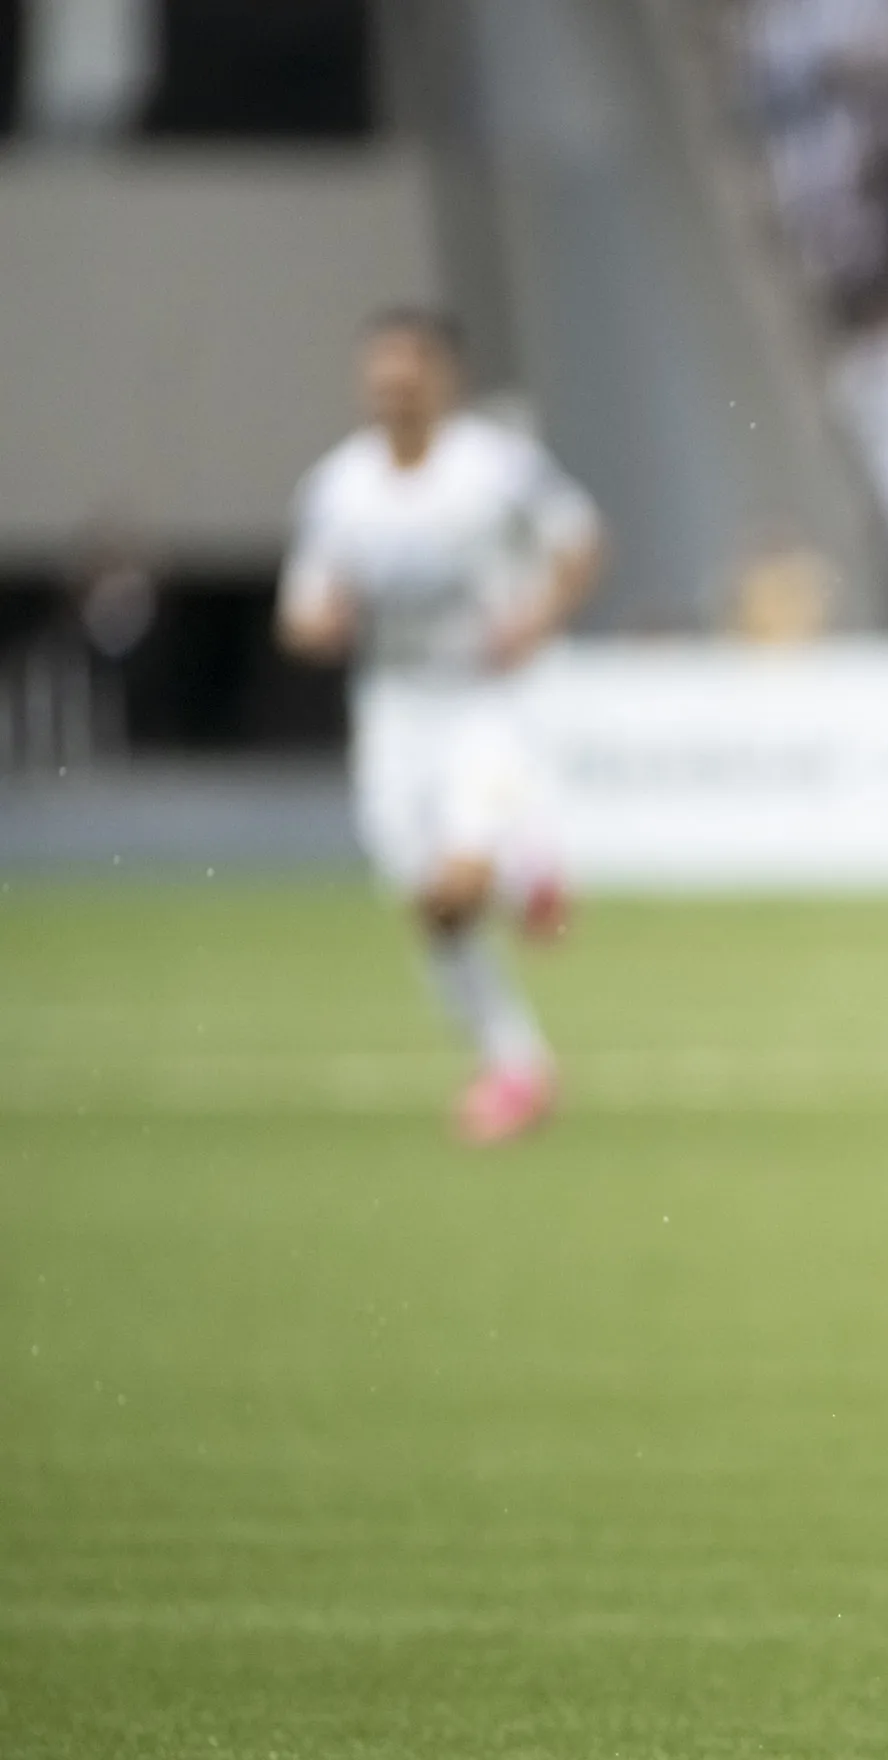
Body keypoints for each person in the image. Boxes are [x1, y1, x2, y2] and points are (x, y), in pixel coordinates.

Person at [276, 309, 605, 1145]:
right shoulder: (338, 488)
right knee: (431, 905)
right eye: (380, 376)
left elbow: (580, 543)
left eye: (408, 374)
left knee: (457, 886)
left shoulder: (497, 468)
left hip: (487, 704)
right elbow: (303, 608)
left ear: (443, 380)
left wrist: (539, 617)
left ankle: (515, 1059)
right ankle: (521, 1021)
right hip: (393, 710)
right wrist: (320, 625)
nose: (393, 389)